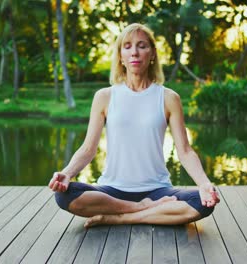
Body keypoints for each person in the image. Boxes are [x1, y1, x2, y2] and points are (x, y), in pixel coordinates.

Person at [49, 23, 219, 228]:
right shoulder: (104, 97)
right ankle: (144, 209)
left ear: (153, 53)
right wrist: (67, 173)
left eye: (142, 46)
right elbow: (88, 149)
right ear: (120, 55)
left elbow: (184, 151)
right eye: (127, 46)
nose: (135, 52)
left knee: (203, 203)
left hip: (157, 190)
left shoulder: (168, 98)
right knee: (64, 196)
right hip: (111, 189)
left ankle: (118, 217)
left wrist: (204, 184)